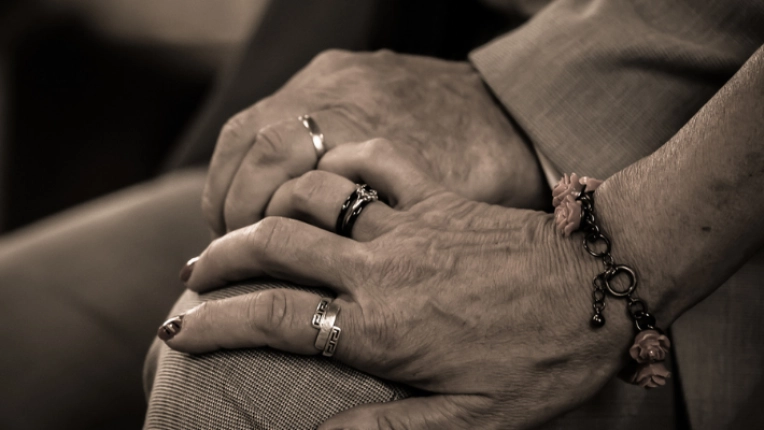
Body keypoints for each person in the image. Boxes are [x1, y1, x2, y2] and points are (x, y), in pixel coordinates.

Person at [144, 1, 764, 429]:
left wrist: (592, 264)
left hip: (695, 160)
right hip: (465, 48)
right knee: (47, 317)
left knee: (230, 389)